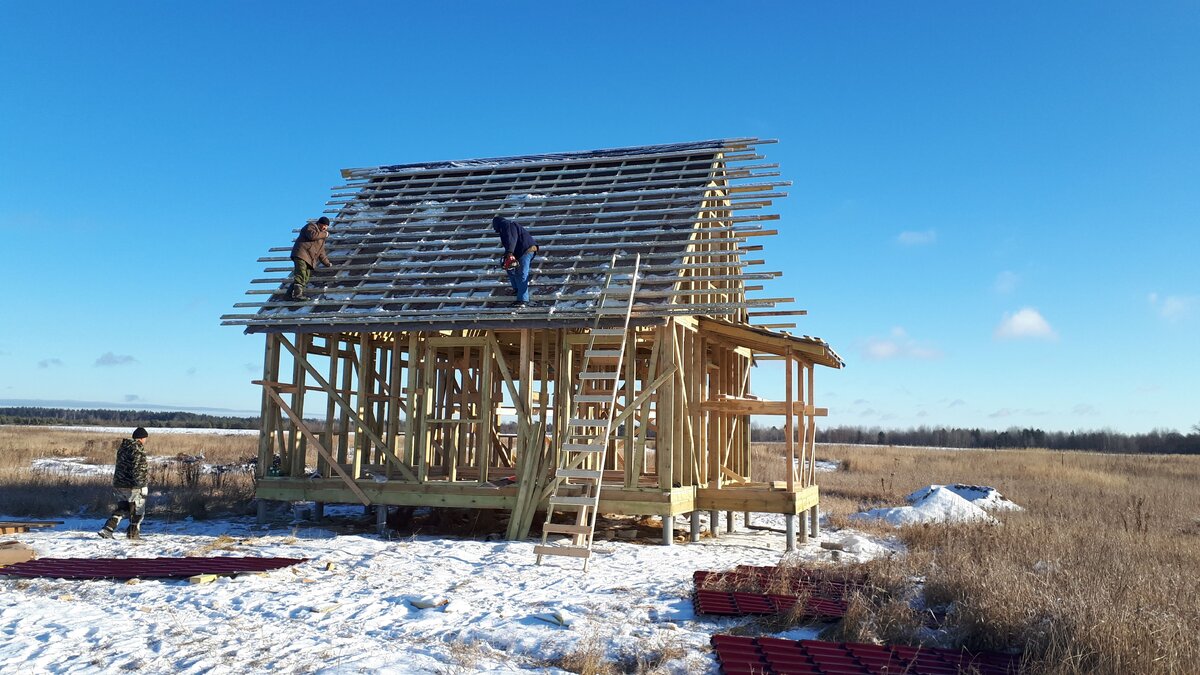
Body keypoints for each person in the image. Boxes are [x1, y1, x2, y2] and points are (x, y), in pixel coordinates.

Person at [98, 427, 150, 540]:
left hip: (120, 484)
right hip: (134, 485)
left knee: (123, 508)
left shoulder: (123, 448)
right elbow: (137, 467)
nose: (145, 440)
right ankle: (133, 534)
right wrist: (140, 484)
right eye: (145, 438)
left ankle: (107, 529)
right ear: (141, 438)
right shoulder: (138, 448)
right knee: (137, 510)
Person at [491, 215, 538, 306]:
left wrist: (509, 252)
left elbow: (511, 238)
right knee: (510, 269)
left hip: (526, 250)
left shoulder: (506, 225)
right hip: (520, 251)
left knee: (521, 274)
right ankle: (517, 289)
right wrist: (507, 254)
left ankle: (523, 299)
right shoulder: (506, 226)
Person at [288, 216, 333, 300]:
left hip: (309, 258)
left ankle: (288, 294)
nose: (325, 228)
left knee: (305, 277)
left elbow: (321, 252)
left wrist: (327, 263)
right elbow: (312, 236)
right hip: (301, 254)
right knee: (301, 274)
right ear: (319, 223)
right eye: (324, 225)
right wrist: (325, 234)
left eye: (327, 226)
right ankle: (298, 295)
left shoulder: (321, 238)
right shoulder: (311, 226)